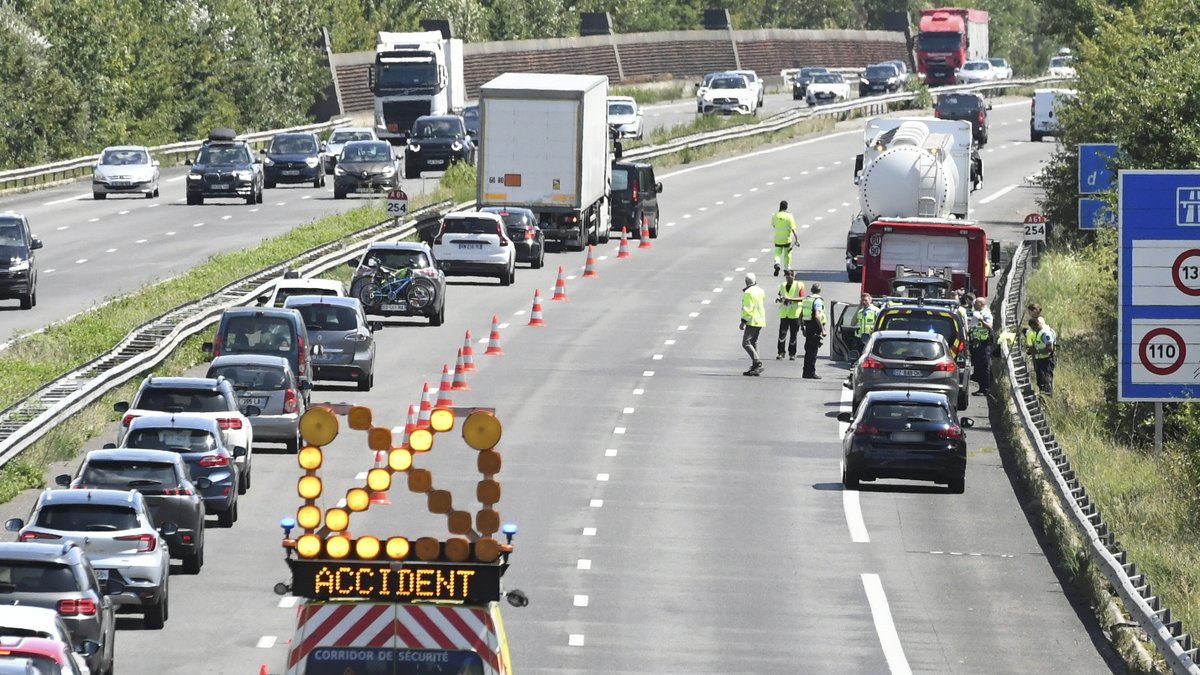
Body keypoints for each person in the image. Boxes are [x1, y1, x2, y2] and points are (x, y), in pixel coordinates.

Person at [740, 272, 767, 376]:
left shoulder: (748, 293)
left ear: (746, 282)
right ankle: (755, 367)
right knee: (754, 341)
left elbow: (748, 308)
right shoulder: (761, 290)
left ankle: (757, 362)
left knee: (746, 343)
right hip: (760, 320)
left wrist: (743, 322)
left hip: (752, 320)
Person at [775, 269, 805, 360]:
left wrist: (791, 299)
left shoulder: (799, 285)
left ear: (793, 276)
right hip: (784, 313)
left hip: (795, 314)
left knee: (793, 335)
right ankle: (781, 352)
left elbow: (803, 297)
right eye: (786, 277)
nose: (788, 278)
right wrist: (779, 299)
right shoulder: (782, 285)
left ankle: (792, 353)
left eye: (789, 277)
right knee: (782, 334)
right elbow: (780, 295)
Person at [800, 282, 827, 379]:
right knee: (813, 351)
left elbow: (801, 314)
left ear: (811, 290)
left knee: (808, 350)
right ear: (819, 290)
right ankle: (811, 372)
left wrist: (802, 328)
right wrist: (822, 329)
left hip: (808, 326)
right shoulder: (818, 300)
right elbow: (817, 316)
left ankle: (806, 372)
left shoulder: (807, 299)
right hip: (815, 326)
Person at [968, 296, 994, 395]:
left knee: (984, 366)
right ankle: (981, 388)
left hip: (984, 344)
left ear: (981, 304)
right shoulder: (978, 312)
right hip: (977, 343)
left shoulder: (986, 313)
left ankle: (985, 389)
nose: (974, 304)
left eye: (977, 303)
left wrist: (981, 320)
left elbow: (989, 326)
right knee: (978, 366)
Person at [1027, 315, 1056, 396]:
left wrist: (1038, 351)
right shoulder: (1038, 332)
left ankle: (1047, 399)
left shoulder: (1045, 333)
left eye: (1033, 328)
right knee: (1040, 380)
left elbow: (1050, 348)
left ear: (1036, 325)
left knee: (1046, 380)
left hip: (1047, 360)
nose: (1032, 330)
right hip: (1041, 359)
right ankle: (1042, 398)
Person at [771, 200, 800, 276]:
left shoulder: (775, 215)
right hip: (787, 239)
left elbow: (774, 225)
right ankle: (787, 268)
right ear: (786, 207)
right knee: (787, 254)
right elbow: (793, 229)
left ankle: (777, 263)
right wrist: (797, 239)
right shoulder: (789, 216)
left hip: (778, 239)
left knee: (777, 253)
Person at [852, 292, 878, 357]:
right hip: (860, 337)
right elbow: (852, 323)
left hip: (870, 337)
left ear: (870, 300)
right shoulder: (860, 311)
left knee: (868, 355)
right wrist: (858, 309)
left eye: (865, 300)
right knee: (859, 354)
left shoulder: (875, 311)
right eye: (862, 300)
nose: (864, 302)